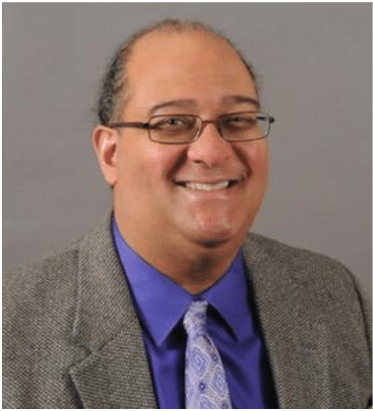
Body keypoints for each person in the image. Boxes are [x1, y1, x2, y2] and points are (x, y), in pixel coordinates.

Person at [3, 19, 371, 409]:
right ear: (111, 154)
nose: (212, 152)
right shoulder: (11, 331)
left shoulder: (335, 299)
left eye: (237, 120)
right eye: (173, 123)